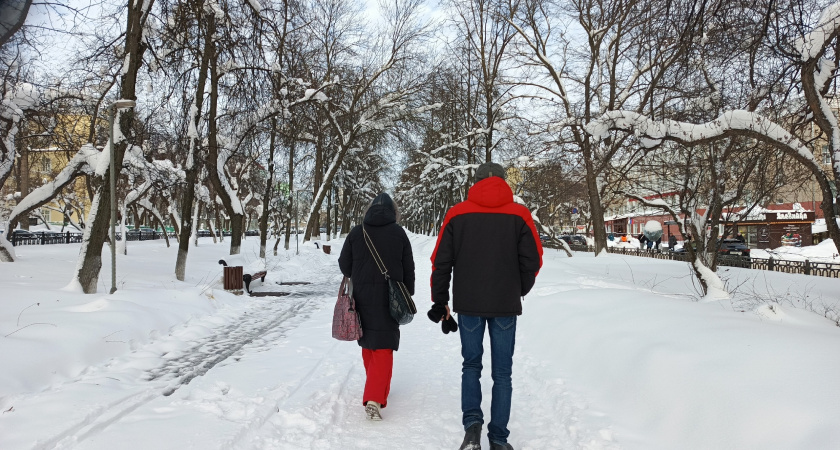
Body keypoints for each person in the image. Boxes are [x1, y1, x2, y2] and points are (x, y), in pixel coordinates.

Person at [428, 162, 543, 450]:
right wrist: (517, 289)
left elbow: (440, 261)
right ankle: (499, 439)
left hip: (469, 304)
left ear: (475, 181)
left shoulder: (457, 213)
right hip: (505, 304)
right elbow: (534, 260)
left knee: (471, 365)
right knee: (503, 373)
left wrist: (440, 300)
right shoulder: (520, 214)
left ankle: (472, 429)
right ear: (504, 182)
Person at [338, 193, 415, 421]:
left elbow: (345, 266)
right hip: (390, 297)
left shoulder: (357, 232)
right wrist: (407, 293)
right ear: (394, 212)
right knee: (384, 346)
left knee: (368, 343)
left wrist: (359, 271)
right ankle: (374, 397)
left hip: (361, 296)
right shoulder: (399, 233)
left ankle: (378, 389)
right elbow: (409, 267)